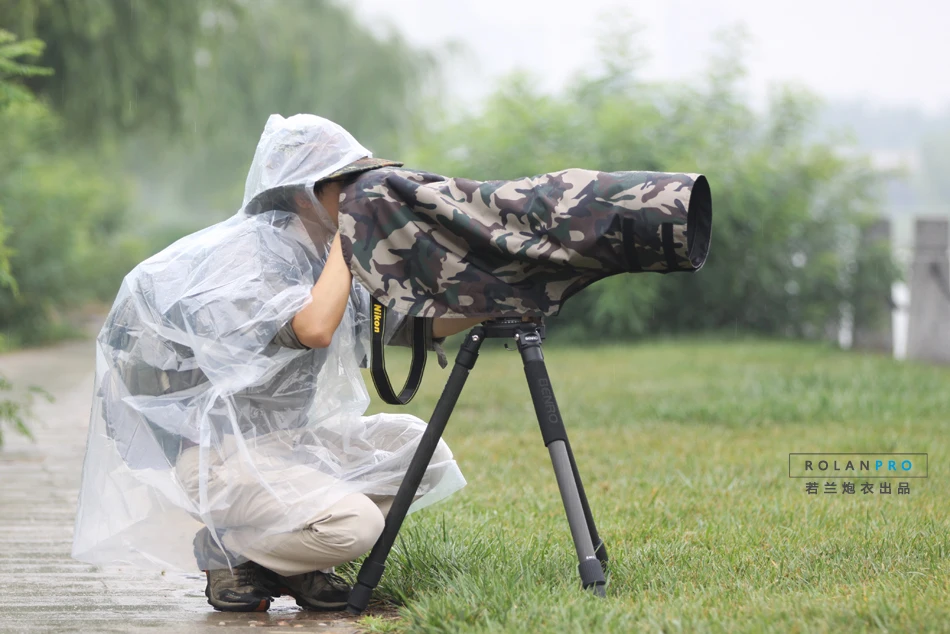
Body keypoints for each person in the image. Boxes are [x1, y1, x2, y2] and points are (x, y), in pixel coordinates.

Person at [72, 114, 478, 612]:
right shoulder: (245, 258)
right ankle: (227, 550)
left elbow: (410, 325)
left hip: (288, 444)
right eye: (349, 185)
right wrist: (351, 244)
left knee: (423, 451)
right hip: (214, 458)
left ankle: (285, 560)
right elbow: (312, 329)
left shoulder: (321, 254)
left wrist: (500, 294)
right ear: (304, 190)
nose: (363, 198)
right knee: (356, 526)